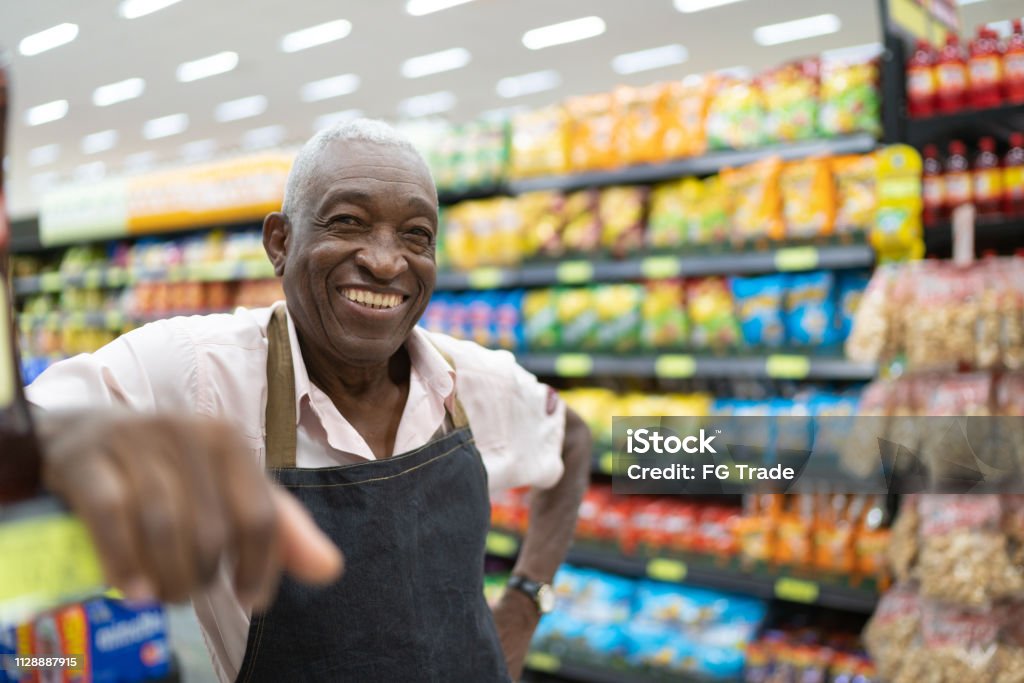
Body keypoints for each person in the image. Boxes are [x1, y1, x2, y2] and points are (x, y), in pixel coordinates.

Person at [27, 119, 592, 682]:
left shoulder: (468, 379)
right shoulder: (198, 372)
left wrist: (524, 601)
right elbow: (28, 433)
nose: (386, 261)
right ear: (280, 242)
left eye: (416, 234)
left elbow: (571, 435)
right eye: (348, 221)